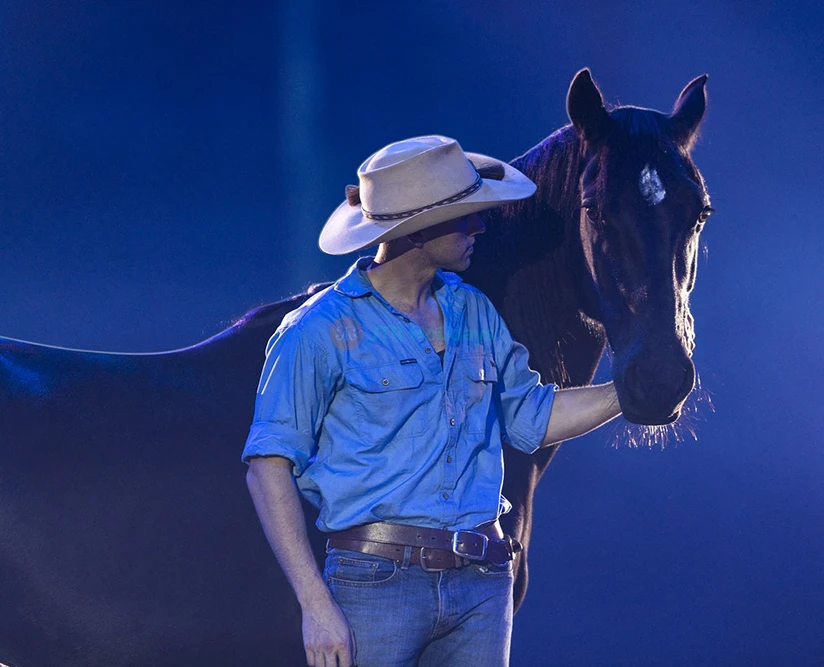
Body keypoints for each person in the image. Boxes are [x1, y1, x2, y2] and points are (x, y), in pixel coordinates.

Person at [242, 135, 621, 667]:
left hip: (481, 586)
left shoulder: (476, 314)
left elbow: (531, 417)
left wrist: (628, 392)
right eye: (467, 217)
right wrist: (314, 603)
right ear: (419, 231)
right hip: (375, 584)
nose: (481, 228)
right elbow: (268, 466)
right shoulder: (318, 330)